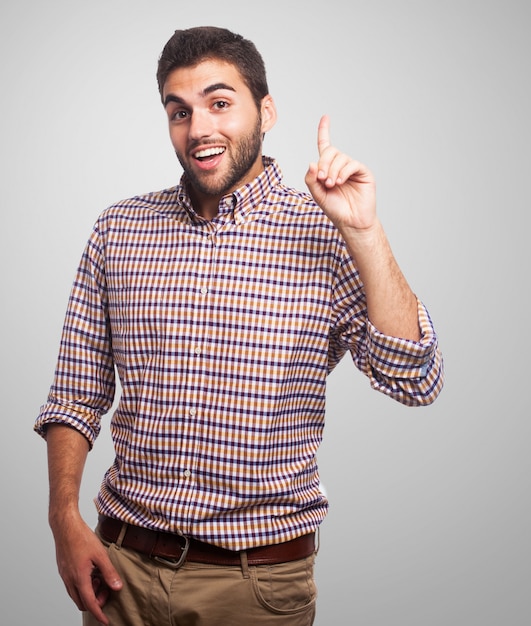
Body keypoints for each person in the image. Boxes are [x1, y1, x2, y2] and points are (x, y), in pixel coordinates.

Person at [35, 26, 444, 626]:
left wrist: (364, 232)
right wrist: (63, 520)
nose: (199, 128)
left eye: (220, 103)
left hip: (255, 588)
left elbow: (415, 379)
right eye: (180, 111)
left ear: (266, 111)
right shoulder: (117, 229)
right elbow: (74, 396)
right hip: (120, 571)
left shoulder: (326, 231)